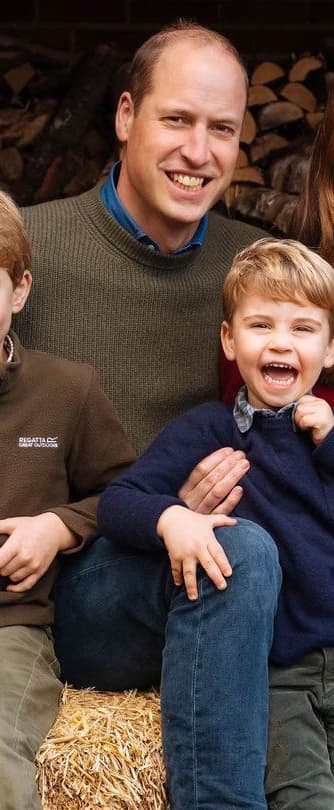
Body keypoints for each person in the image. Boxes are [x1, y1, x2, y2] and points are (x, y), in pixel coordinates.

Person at [16, 22, 282, 810]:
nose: (198, 152)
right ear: (127, 115)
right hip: (69, 586)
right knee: (249, 558)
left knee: (250, 555)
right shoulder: (29, 253)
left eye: (222, 129)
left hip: (199, 570)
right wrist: (149, 514)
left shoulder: (254, 270)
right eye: (177, 120)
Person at [99, 236, 334, 810]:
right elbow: (118, 502)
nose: (281, 342)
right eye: (261, 326)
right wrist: (173, 517)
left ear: (330, 350)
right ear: (230, 341)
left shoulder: (328, 437)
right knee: (306, 796)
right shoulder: (208, 430)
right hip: (279, 672)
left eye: (303, 329)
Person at [0, 190, 135, 810]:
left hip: (11, 630)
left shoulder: (67, 390)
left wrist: (57, 526)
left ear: (20, 290)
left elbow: (125, 492)